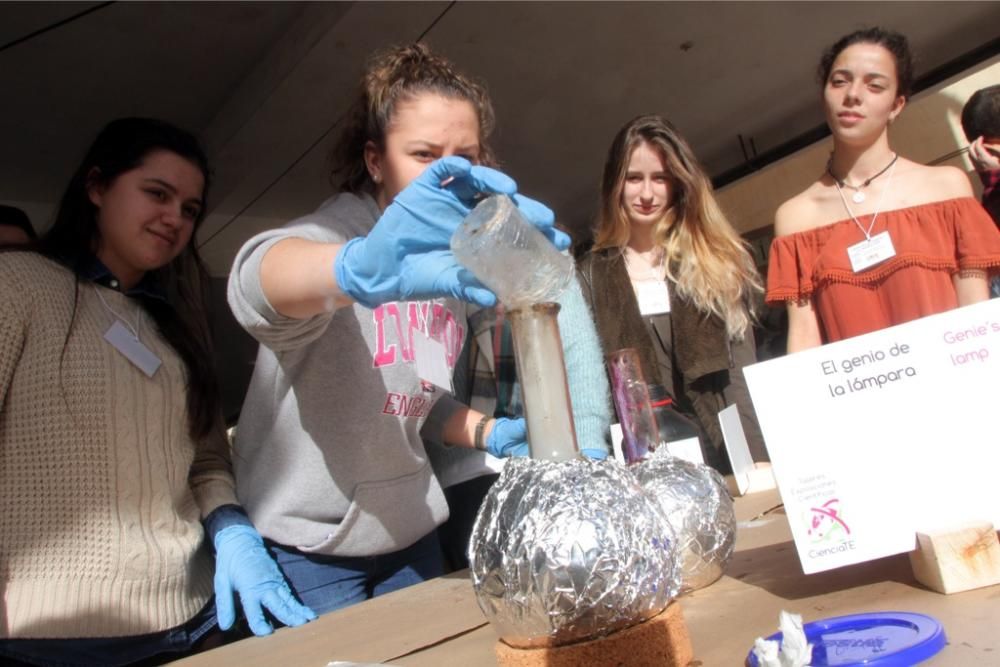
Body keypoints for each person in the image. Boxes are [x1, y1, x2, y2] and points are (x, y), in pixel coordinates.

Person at [227, 43, 575, 615]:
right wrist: (352, 269)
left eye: (465, 156)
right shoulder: (341, 230)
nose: (448, 175)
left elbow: (410, 393)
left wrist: (491, 433)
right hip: (313, 544)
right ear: (374, 161)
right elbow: (256, 283)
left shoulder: (459, 257)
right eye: (423, 154)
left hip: (412, 528)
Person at [0, 118, 315, 667]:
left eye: (190, 209)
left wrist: (233, 530)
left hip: (191, 622)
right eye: (157, 193)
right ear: (96, 187)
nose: (175, 218)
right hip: (47, 640)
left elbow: (206, 461)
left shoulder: (172, 327)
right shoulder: (17, 284)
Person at [767, 28, 1000, 351]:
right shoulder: (796, 216)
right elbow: (804, 338)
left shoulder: (946, 188)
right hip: (858, 393)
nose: (853, 95)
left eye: (875, 85)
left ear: (896, 105)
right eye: (839, 81)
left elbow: (975, 316)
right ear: (824, 95)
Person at [578, 114, 768, 472]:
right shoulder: (590, 276)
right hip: (644, 460)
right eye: (634, 178)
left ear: (678, 182)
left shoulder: (718, 261)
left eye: (660, 178)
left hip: (723, 446)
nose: (647, 194)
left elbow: (740, 372)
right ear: (614, 183)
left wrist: (756, 457)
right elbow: (591, 391)